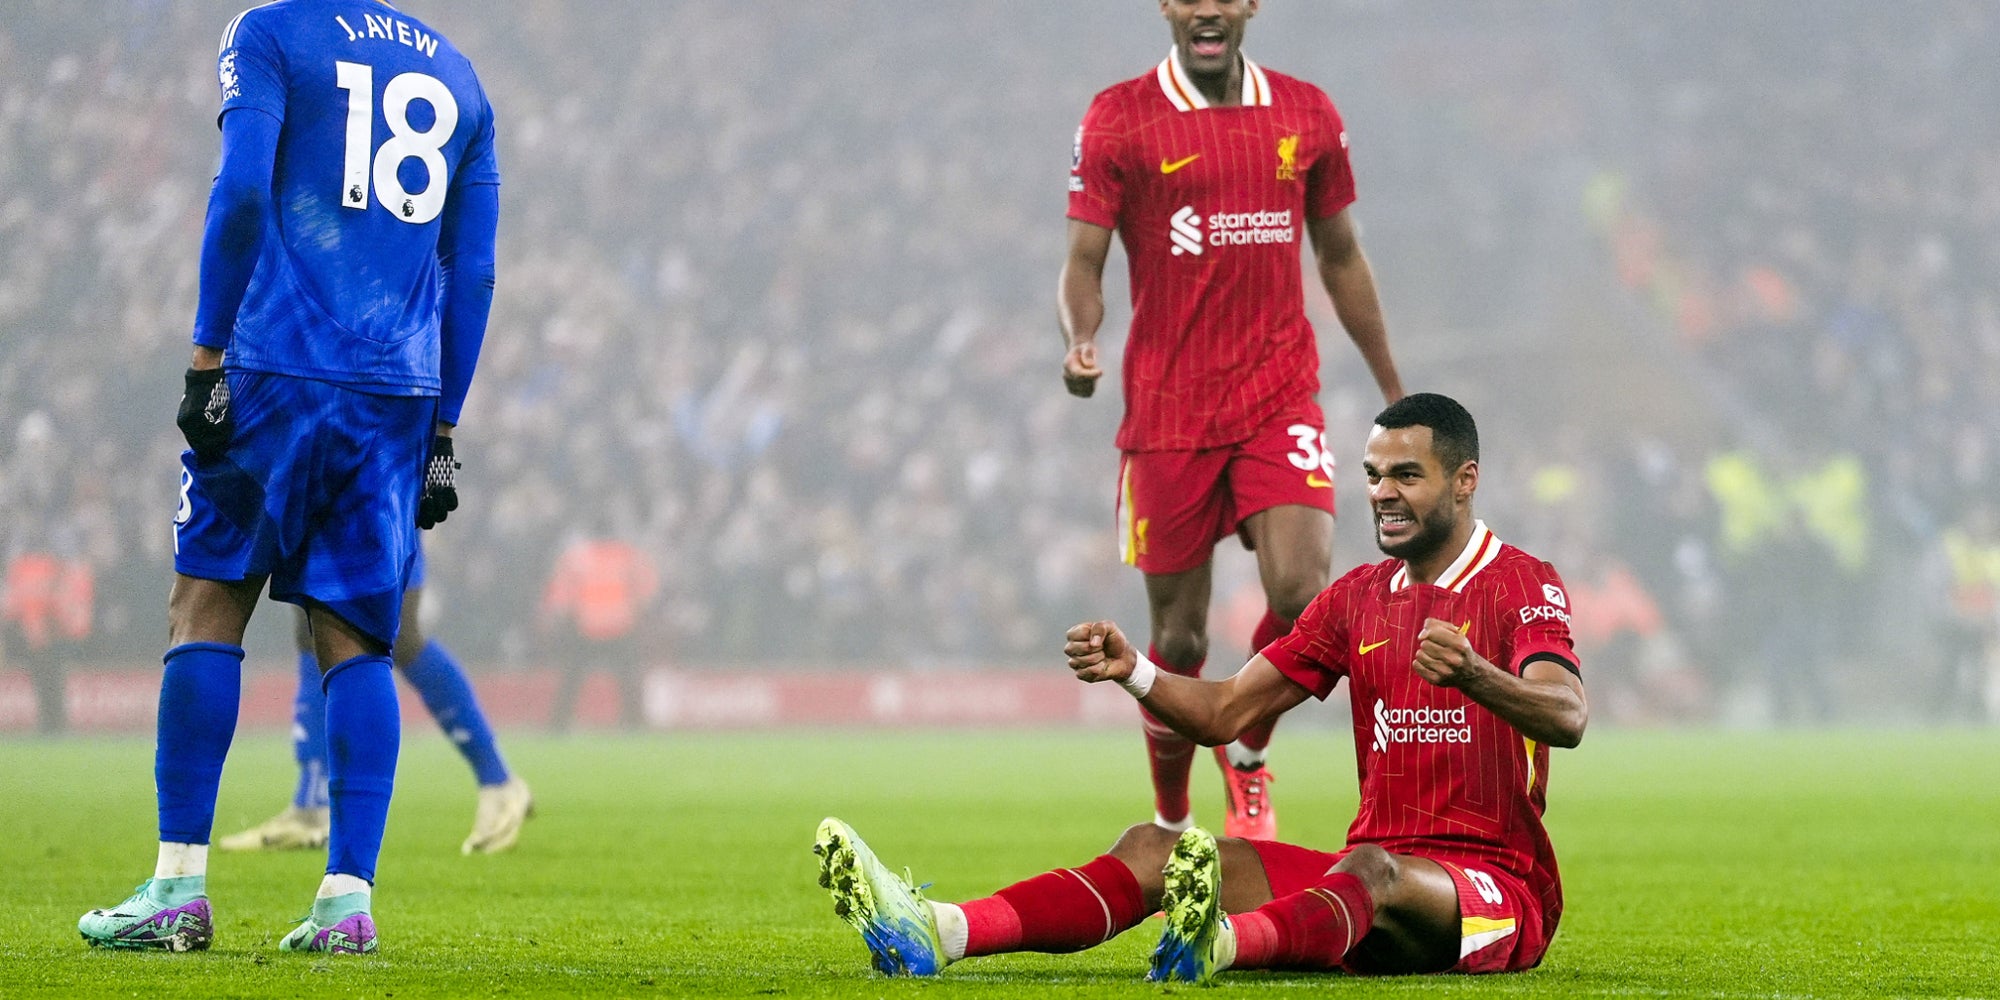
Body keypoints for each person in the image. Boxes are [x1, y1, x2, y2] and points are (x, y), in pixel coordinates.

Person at [818, 394, 1587, 981]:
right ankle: (939, 931)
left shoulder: (1521, 583)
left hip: (1494, 893)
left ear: (1465, 481)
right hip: (1369, 880)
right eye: (1374, 475)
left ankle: (1214, 943)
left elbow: (1567, 714)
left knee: (1369, 869)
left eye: (1406, 476)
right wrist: (1137, 672)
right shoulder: (1358, 595)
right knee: (1156, 845)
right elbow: (1225, 712)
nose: (1383, 493)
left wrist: (1477, 676)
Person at [80, 0, 498, 956]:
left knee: (205, 606)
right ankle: (347, 901)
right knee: (357, 641)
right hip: (395, 393)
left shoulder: (267, 31)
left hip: (275, 370)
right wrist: (443, 427)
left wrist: (205, 356)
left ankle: (178, 889)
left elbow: (240, 195)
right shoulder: (461, 75)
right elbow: (471, 273)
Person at [1059, 0, 1404, 840]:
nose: (1207, 7)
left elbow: (1341, 253)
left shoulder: (1305, 111)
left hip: (1278, 391)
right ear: (1169, 9)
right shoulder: (1119, 117)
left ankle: (1246, 742)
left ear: (1250, 6)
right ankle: (1171, 816)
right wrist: (1081, 339)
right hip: (1169, 414)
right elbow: (1082, 258)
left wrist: (1395, 391)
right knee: (1175, 645)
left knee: (1301, 593)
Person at [218, 548, 532, 856]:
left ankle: (498, 781)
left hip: (381, 501)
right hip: (318, 500)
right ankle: (311, 803)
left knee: (401, 635)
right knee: (310, 623)